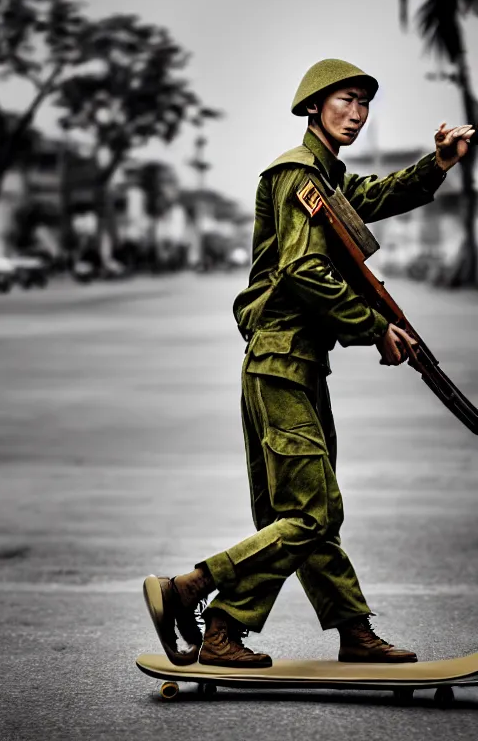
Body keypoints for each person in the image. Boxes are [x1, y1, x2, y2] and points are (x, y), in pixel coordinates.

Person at [143, 59, 475, 668]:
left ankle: (342, 629)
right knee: (311, 511)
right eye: (347, 100)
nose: (358, 113)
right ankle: (189, 592)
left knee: (301, 512)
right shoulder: (297, 176)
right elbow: (303, 271)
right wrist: (376, 326)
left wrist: (438, 164)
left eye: (365, 104)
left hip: (295, 362)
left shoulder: (327, 183)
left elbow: (372, 197)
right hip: (280, 360)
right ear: (315, 106)